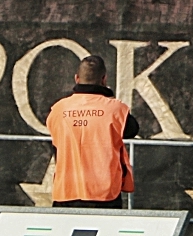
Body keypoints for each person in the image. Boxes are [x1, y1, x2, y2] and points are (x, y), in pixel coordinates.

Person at [45, 54, 138, 208]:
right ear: (104, 79)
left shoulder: (58, 109)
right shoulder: (116, 109)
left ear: (77, 78)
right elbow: (132, 130)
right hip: (104, 193)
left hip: (66, 191)